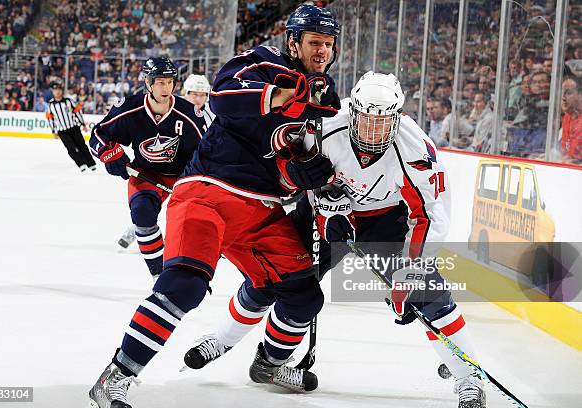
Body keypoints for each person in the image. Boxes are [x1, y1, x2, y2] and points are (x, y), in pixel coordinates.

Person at [89, 5, 341, 407]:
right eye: (315, 42)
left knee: (304, 294)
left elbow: (290, 165)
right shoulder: (259, 61)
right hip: (208, 190)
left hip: (262, 209)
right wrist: (289, 94)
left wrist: (311, 174)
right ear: (293, 41)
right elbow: (223, 98)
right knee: (184, 286)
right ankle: (116, 376)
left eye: (328, 44)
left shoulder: (325, 101)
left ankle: (269, 365)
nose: (322, 51)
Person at [183, 72, 486, 408]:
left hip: (384, 221)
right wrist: (318, 193)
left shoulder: (415, 150)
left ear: (398, 117)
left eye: (382, 122)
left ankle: (468, 376)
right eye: (366, 119)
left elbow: (430, 214)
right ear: (352, 110)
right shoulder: (326, 125)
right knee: (274, 274)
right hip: (319, 213)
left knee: (426, 290)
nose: (372, 130)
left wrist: (410, 270)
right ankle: (222, 339)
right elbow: (286, 154)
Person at [88, 57, 206, 280]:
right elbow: (97, 135)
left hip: (182, 177)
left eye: (170, 82)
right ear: (148, 83)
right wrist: (110, 154)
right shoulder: (130, 108)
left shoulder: (189, 113)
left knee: (194, 225)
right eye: (160, 82)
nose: (166, 87)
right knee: (142, 214)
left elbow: (207, 151)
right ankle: (159, 275)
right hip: (144, 174)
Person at [46, 81, 96, 172]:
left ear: (62, 91)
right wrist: (53, 131)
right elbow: (50, 119)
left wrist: (83, 124)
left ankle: (91, 163)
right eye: (55, 90)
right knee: (71, 149)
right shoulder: (50, 104)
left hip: (74, 128)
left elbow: (77, 112)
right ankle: (81, 164)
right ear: (53, 92)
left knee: (82, 146)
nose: (57, 92)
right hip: (62, 131)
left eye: (59, 90)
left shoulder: (68, 101)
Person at [560, 76, 582, 163]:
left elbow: (574, 159)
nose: (563, 98)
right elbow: (565, 152)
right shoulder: (567, 116)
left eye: (568, 93)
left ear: (581, 96)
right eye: (562, 93)